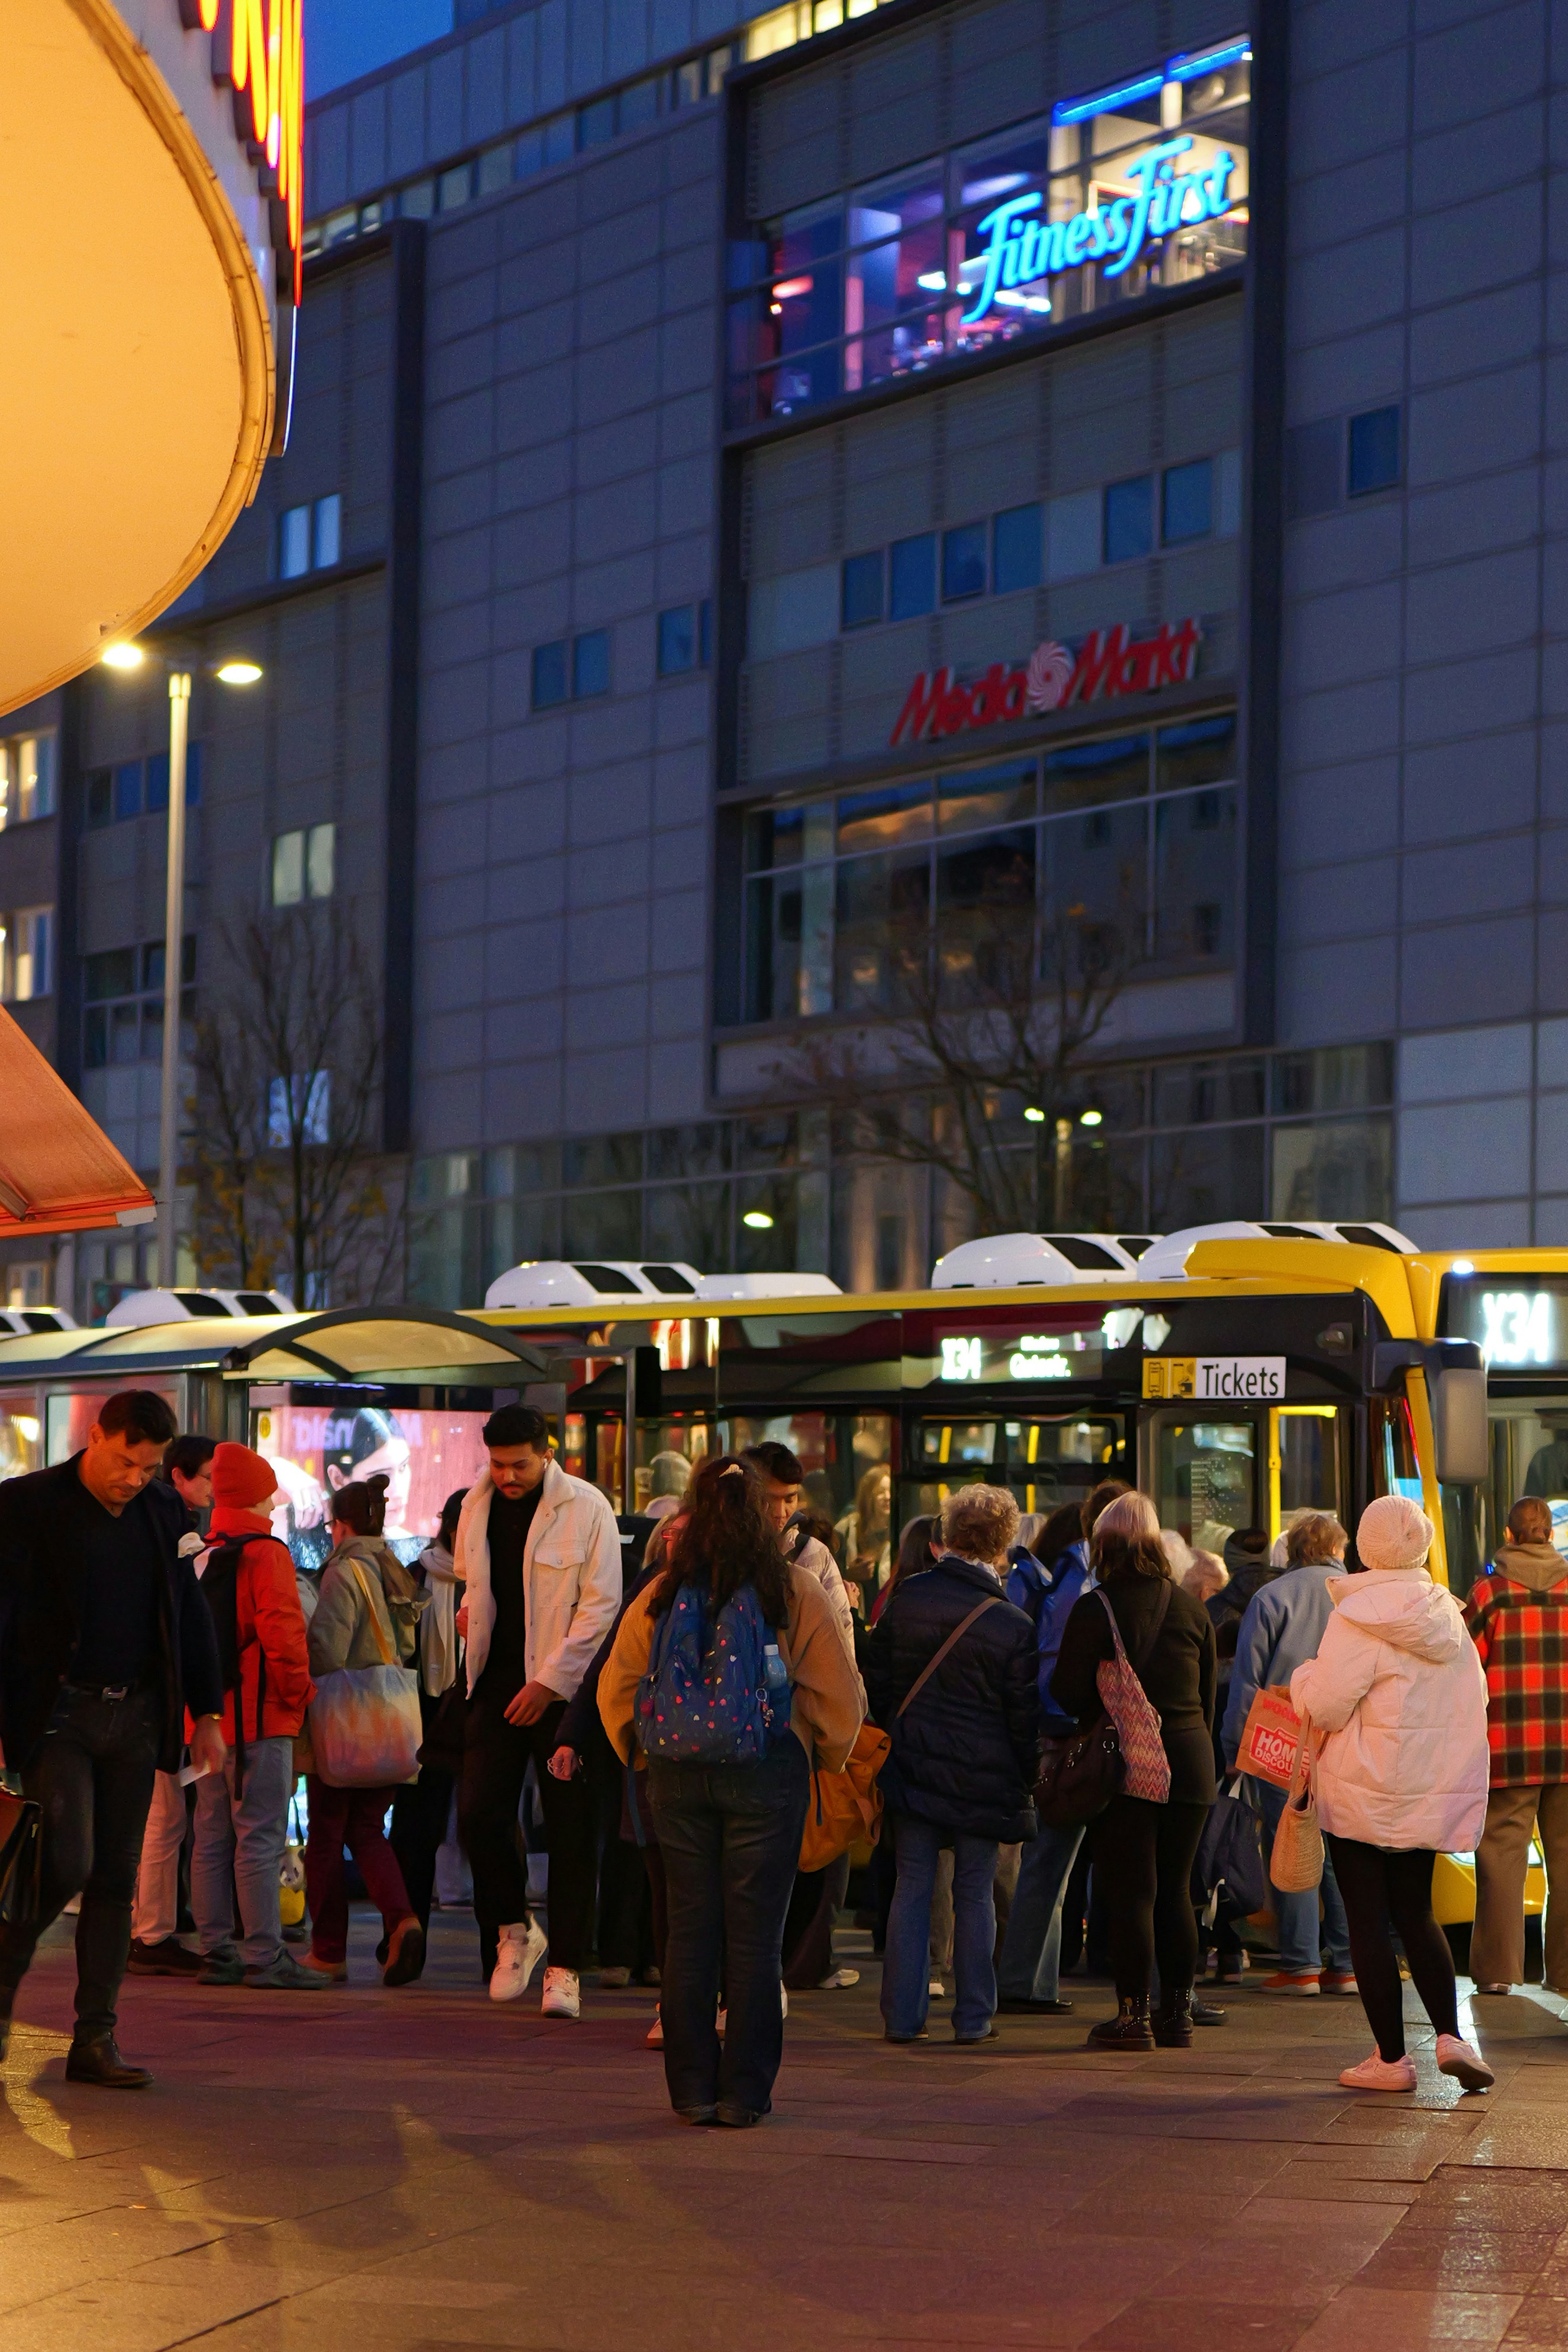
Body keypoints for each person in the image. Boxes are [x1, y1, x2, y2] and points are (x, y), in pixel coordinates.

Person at [598, 1454, 862, 2124]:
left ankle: (690, 2089)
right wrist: (824, 1755)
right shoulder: (792, 1589)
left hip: (676, 1778)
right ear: (763, 1514)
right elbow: (839, 1698)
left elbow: (616, 1687)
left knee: (688, 1935)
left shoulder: (662, 1592)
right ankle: (743, 2093)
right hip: (767, 1773)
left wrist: (642, 1753)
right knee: (754, 1941)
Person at [0, 1391, 226, 2086]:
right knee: (66, 1860)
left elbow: (188, 1611)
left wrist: (208, 1713)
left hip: (137, 1715)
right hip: (58, 1712)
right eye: (126, 1462)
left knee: (116, 1878)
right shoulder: (27, 1503)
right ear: (95, 1436)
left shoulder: (164, 1510)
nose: (134, 1478)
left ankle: (95, 2037)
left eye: (149, 1467)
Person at [1290, 1493, 1492, 2093]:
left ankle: (1391, 2060)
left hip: (1360, 1790)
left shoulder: (1356, 1615)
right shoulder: (1448, 1617)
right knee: (1416, 1910)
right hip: (1425, 1790)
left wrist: (1302, 1678)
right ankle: (1451, 2036)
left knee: (1367, 1921)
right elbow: (1475, 1699)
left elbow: (1327, 1705)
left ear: (1365, 1547)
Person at [455, 1402, 622, 2019]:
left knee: (573, 1832)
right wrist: (469, 1620)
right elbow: (474, 1583)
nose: (506, 1476)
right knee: (478, 1813)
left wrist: (549, 1683)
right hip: (494, 1682)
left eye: (518, 1464)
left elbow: (601, 1609)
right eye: (497, 1464)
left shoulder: (588, 1507)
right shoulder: (474, 1505)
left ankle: (566, 1966)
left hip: (565, 1696)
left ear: (548, 1453)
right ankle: (514, 1927)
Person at [868, 1483, 1039, 2047]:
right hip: (983, 1776)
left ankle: (902, 2017)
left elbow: (879, 1681)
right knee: (974, 1892)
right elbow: (1022, 1718)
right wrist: (1026, 1778)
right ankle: (973, 2018)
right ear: (1001, 1542)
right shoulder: (1011, 1622)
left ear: (948, 1534)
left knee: (913, 1885)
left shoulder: (908, 1598)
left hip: (913, 1768)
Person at [1052, 1491, 1217, 2051]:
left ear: (1103, 1545)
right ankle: (1178, 2014)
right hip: (1191, 1762)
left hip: (1128, 1765)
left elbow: (1066, 1690)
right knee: (1176, 1890)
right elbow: (1207, 1699)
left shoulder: (1095, 1608)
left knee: (1132, 1894)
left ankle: (1133, 2015)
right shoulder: (1191, 1608)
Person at [190, 1443, 322, 1989]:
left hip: (205, 1724)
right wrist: (300, 1696)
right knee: (260, 1837)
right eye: (269, 1494)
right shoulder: (267, 1553)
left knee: (210, 1834)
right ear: (254, 1496)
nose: (274, 1503)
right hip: (260, 1719)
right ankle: (266, 1956)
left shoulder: (199, 1552)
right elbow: (283, 1637)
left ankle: (215, 1950)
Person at [992, 1489, 1121, 2016]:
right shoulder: (1078, 1580)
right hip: (1069, 1733)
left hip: (1052, 1732)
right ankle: (1023, 1981)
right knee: (1049, 1864)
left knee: (1052, 1865)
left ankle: (1034, 1981)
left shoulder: (1054, 1572)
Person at [1221, 1510, 1356, 1996]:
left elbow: (1247, 1681)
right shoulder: (1356, 1599)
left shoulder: (1270, 1597)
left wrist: (1233, 1745)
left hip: (1282, 1736)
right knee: (1340, 1851)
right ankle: (1348, 1963)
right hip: (1344, 1737)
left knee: (1292, 1841)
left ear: (1294, 1551)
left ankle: (1300, 1965)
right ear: (1337, 1550)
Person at [302, 1475, 427, 1986]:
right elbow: (408, 1646)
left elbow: (328, 1650)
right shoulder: (392, 1564)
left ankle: (328, 1950)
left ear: (340, 1524)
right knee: (369, 1828)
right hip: (390, 1721)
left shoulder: (344, 1569)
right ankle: (402, 1919)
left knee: (327, 1832)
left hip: (346, 1722)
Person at [1464, 1496, 1568, 1997]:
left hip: (1508, 1748)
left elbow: (1466, 1670)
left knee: (1501, 1859)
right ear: (1550, 1534)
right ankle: (1565, 1973)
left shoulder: (1489, 1593)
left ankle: (1498, 1972)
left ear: (1509, 1535)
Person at [128, 1433, 218, 1978]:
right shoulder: (168, 1526)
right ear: (179, 1476)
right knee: (163, 1817)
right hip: (152, 1702)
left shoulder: (176, 1528)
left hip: (162, 1702)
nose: (213, 1487)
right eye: (206, 1475)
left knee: (162, 1817)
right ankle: (150, 1930)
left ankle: (149, 1925)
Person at [388, 1485, 466, 1955]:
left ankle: (499, 1953)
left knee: (487, 1828)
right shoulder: (415, 1574)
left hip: (478, 1710)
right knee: (416, 1829)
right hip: (425, 1714)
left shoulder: (498, 1575)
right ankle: (405, 1936)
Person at [837, 1462, 893, 1613]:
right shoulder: (846, 1530)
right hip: (855, 1616)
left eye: (891, 1491)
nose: (888, 1497)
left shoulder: (901, 1532)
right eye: (881, 1492)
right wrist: (849, 1574)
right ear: (868, 1496)